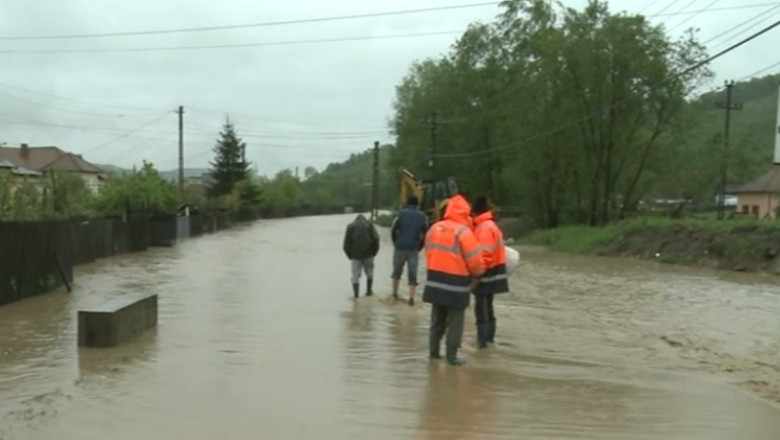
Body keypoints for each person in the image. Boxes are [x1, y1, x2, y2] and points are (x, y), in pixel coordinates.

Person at [422, 194, 485, 366]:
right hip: (456, 282)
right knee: (456, 321)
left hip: (434, 279)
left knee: (437, 319)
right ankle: (452, 356)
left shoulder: (434, 228)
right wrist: (479, 274)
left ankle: (433, 353)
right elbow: (475, 261)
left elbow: (427, 252)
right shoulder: (463, 232)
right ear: (465, 212)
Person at [471, 196, 509, 348]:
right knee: (489, 308)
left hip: (487, 272)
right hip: (496, 270)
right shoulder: (491, 225)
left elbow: (485, 254)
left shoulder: (484, 228)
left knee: (482, 310)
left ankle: (482, 344)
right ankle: (489, 341)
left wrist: (478, 275)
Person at [390, 195, 428, 306]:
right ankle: (411, 298)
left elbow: (393, 230)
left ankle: (394, 294)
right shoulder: (423, 217)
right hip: (413, 247)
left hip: (400, 246)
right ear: (417, 205)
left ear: (407, 203)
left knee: (396, 271)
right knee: (413, 273)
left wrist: (396, 242)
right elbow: (426, 234)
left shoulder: (400, 214)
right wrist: (420, 246)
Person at [342, 213, 380, 298]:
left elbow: (346, 244)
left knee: (355, 276)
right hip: (369, 253)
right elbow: (376, 239)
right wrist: (374, 252)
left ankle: (356, 296)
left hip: (355, 255)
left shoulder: (350, 226)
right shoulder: (370, 225)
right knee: (369, 273)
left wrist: (350, 256)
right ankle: (369, 292)